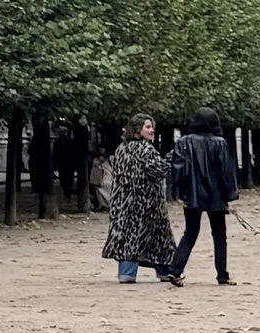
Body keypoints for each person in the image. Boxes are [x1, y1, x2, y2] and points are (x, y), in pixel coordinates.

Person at [166, 114, 239, 288]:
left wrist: (180, 191)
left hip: (192, 193)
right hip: (216, 195)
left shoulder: (184, 142)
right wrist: (229, 196)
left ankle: (175, 269)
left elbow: (178, 169)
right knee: (219, 235)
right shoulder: (220, 143)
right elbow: (226, 173)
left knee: (190, 232)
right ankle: (222, 274)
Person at [101, 118, 173, 284]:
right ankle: (165, 271)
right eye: (148, 127)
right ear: (137, 129)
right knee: (158, 238)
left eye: (152, 127)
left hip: (122, 202)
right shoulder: (145, 149)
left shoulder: (121, 148)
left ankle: (127, 273)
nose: (152, 130)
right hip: (145, 203)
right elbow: (158, 171)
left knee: (129, 238)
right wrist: (172, 158)